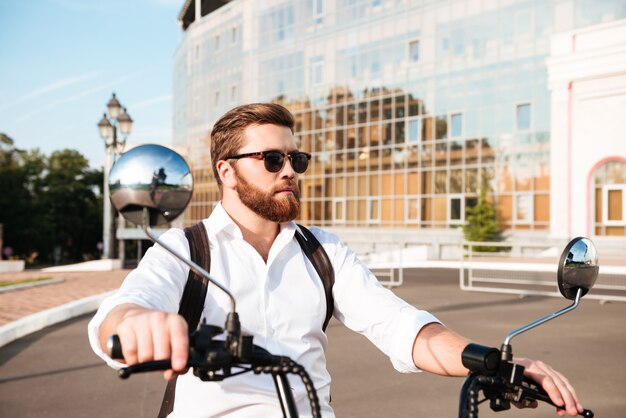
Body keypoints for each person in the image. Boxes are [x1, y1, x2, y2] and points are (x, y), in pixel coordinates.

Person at [88, 103, 584, 418]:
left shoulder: (321, 250)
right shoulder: (186, 250)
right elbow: (126, 305)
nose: (290, 172)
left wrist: (496, 363)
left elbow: (399, 325)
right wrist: (136, 324)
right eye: (272, 160)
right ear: (227, 171)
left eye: (295, 160)